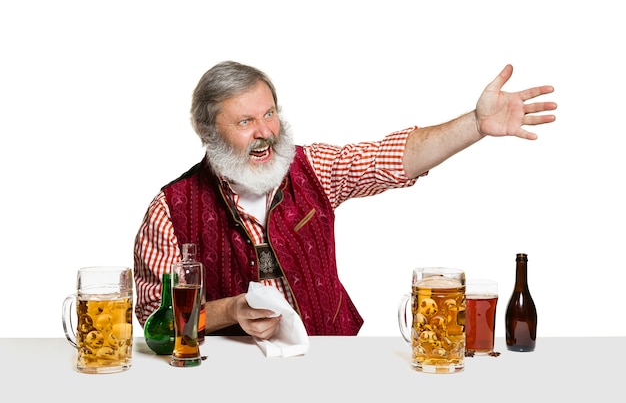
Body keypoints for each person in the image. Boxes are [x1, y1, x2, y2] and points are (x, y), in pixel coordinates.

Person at [134, 60, 557, 339]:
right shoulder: (170, 211)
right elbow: (157, 323)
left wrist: (475, 125)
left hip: (332, 362)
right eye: (245, 121)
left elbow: (391, 158)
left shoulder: (312, 168)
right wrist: (231, 310)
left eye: (269, 113)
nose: (266, 131)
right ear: (208, 134)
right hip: (231, 381)